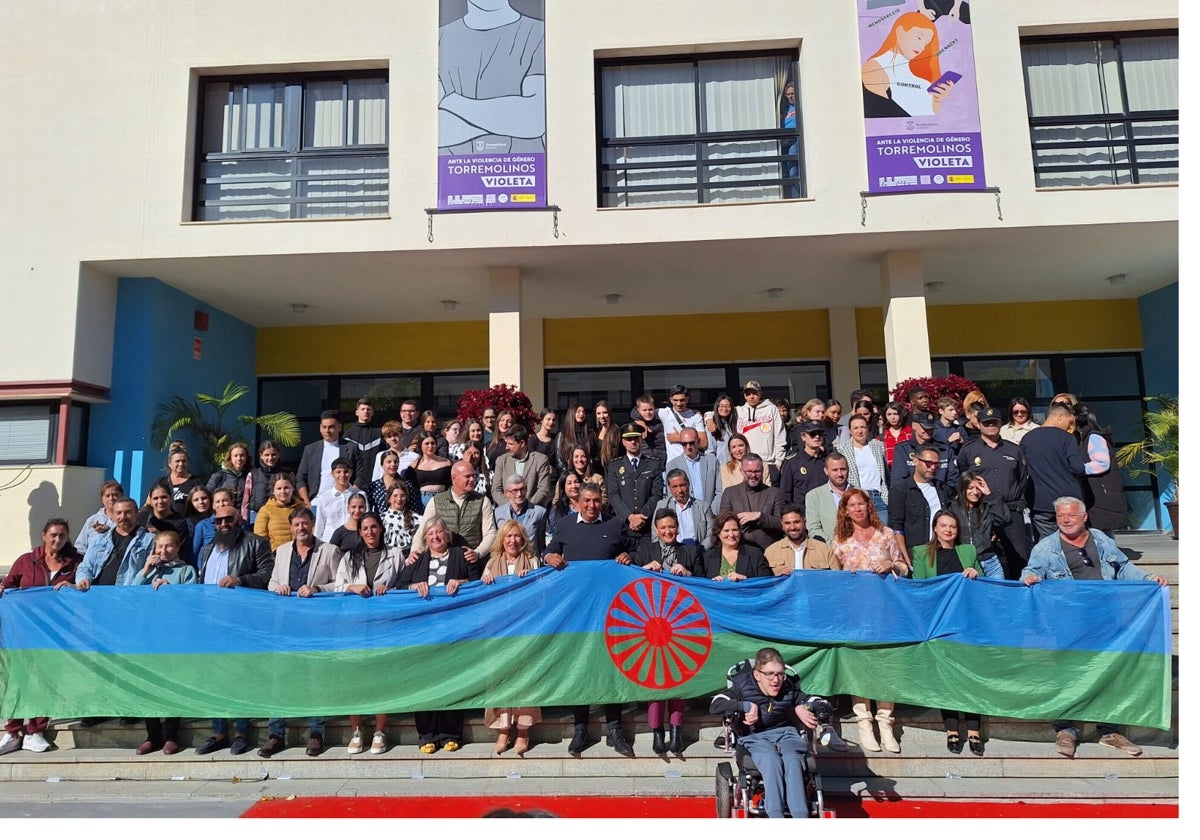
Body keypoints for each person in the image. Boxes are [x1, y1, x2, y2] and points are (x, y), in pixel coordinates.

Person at [1021, 496, 1169, 759]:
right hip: (1067, 624)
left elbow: (1122, 567)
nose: (1065, 520)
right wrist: (1029, 578)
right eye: (1060, 516)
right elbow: (1030, 571)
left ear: (1084, 516)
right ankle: (1066, 729)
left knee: (1109, 672)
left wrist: (1148, 579)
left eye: (1071, 515)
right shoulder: (1045, 548)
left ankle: (1110, 731)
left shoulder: (1100, 538)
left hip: (1105, 619)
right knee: (1067, 674)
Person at [542, 481, 635, 757]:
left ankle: (614, 728)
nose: (592, 506)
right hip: (577, 613)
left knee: (611, 667)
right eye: (587, 501)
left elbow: (637, 552)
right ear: (578, 502)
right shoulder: (566, 525)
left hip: (611, 612)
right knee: (579, 668)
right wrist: (549, 557)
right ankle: (580, 727)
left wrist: (628, 555)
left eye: (596, 501)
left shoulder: (616, 525)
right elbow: (547, 551)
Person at [195, 501, 274, 755]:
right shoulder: (207, 550)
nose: (224, 524)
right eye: (219, 521)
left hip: (243, 622)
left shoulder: (255, 543)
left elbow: (267, 575)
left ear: (239, 521)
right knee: (216, 678)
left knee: (240, 677)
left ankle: (241, 732)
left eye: (229, 519)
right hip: (212, 623)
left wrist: (240, 580)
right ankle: (218, 732)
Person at [831, 488, 907, 753]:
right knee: (860, 666)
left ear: (869, 506)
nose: (858, 509)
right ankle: (865, 721)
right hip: (855, 612)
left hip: (885, 611)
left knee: (886, 665)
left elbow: (905, 568)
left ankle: (886, 723)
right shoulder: (840, 540)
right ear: (845, 510)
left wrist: (891, 564)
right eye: (852, 505)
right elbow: (834, 578)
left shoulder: (885, 534)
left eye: (861, 504)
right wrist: (844, 575)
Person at [0, 518, 82, 756]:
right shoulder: (26, 561)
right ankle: (13, 731)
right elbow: (9, 585)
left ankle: (35, 731)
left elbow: (86, 587)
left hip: (55, 633)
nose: (57, 540)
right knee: (17, 680)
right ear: (44, 535)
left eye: (62, 536)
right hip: (22, 632)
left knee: (46, 679)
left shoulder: (75, 562)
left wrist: (73, 587)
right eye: (53, 535)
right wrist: (4, 588)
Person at [709, 647, 821, 819]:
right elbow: (715, 705)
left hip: (786, 734)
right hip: (754, 736)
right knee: (771, 759)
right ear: (757, 675)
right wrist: (744, 705)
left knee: (792, 759)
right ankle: (775, 815)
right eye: (770, 674)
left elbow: (814, 701)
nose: (776, 680)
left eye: (780, 674)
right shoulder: (742, 686)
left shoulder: (788, 686)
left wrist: (805, 707)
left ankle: (800, 816)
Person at [909, 511, 986, 756]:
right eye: (943, 525)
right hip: (939, 625)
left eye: (952, 526)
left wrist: (975, 575)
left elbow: (984, 587)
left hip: (966, 624)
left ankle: (974, 730)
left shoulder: (968, 552)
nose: (948, 530)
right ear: (935, 528)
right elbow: (920, 587)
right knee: (947, 679)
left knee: (970, 677)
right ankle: (952, 729)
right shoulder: (921, 552)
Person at [397, 517, 472, 754]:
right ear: (425, 538)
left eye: (439, 532)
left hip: (454, 630)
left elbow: (480, 581)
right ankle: (427, 735)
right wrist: (413, 587)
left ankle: (451, 734)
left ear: (447, 535)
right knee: (425, 681)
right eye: (430, 534)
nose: (436, 537)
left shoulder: (461, 554)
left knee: (451, 680)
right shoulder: (417, 559)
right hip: (424, 632)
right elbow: (400, 586)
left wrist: (462, 582)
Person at [437, 0, 546, 157]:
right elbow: (430, 127)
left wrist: (450, 101)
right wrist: (507, 122)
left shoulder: (538, 33)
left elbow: (534, 119)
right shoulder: (439, 39)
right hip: (454, 169)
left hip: (523, 170)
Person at [332, 512, 401, 755]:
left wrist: (389, 589)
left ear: (381, 529)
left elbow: (403, 585)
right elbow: (337, 586)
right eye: (365, 528)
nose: (370, 532)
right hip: (355, 626)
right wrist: (352, 587)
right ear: (359, 532)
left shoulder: (394, 554)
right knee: (355, 679)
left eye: (374, 527)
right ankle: (357, 730)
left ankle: (380, 731)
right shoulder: (350, 557)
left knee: (380, 678)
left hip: (383, 626)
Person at [131, 529, 197, 755]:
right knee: (148, 686)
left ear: (177, 547)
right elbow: (129, 594)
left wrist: (172, 592)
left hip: (173, 638)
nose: (163, 551)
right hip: (148, 637)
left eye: (169, 546)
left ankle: (171, 735)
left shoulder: (186, 570)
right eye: (159, 547)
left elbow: (191, 600)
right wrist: (146, 569)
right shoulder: (149, 571)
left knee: (170, 685)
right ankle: (152, 735)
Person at [481, 519, 542, 757]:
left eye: (517, 536)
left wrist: (530, 581)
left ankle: (524, 730)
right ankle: (503, 729)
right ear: (502, 540)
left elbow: (541, 597)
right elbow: (484, 602)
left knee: (524, 680)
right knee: (500, 679)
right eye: (508, 537)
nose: (513, 541)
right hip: (498, 633)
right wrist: (486, 585)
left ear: (523, 539)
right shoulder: (491, 564)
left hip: (524, 630)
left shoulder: (533, 562)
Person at [956, 406, 1030, 577]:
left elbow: (1022, 479)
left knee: (1019, 556)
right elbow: (962, 479)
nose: (991, 425)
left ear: (1000, 423)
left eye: (994, 422)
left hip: (1011, 511)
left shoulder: (1014, 450)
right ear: (979, 425)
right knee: (984, 557)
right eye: (986, 423)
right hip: (981, 511)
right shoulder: (968, 451)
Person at [409, 460, 497, 581]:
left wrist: (477, 553)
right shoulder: (436, 501)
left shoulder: (482, 501)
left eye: (474, 476)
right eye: (467, 476)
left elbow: (490, 533)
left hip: (473, 565)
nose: (472, 479)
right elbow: (423, 530)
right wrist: (415, 551)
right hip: (446, 564)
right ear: (454, 478)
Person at [862, 11, 956, 118]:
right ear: (900, 31)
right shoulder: (875, 67)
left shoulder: (921, 78)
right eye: (919, 38)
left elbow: (930, 115)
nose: (922, 47)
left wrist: (937, 100)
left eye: (926, 43)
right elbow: (880, 114)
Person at [1020, 404, 1086, 540]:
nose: (1070, 427)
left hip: (1040, 501)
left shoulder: (1027, 438)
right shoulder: (1067, 438)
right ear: (1060, 416)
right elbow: (1078, 468)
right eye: (1069, 422)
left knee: (1047, 544)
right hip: (1068, 500)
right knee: (1072, 540)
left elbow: (1022, 468)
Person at [888, 444, 953, 564]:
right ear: (916, 461)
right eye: (928, 463)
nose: (933, 467)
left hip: (941, 553)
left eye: (936, 464)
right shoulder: (900, 491)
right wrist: (906, 559)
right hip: (916, 555)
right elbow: (896, 528)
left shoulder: (943, 489)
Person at [606, 422, 664, 553]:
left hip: (647, 527)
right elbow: (613, 495)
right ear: (623, 442)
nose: (633, 442)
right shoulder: (615, 466)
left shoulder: (653, 464)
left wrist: (642, 516)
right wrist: (630, 517)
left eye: (635, 438)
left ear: (641, 440)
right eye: (629, 439)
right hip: (624, 527)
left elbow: (657, 494)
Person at [75, 497, 155, 589]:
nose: (123, 517)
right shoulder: (99, 540)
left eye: (128, 512)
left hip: (128, 597)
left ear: (137, 514)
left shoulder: (150, 540)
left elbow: (150, 572)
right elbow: (85, 567)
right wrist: (84, 579)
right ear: (113, 515)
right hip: (97, 595)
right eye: (119, 513)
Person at [1073, 403, 1129, 536]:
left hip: (1102, 493)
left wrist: (1078, 468)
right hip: (1097, 492)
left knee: (1102, 532)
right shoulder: (1083, 437)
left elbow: (1102, 463)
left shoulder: (1094, 437)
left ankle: (1111, 557)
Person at [718, 454, 784, 552]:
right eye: (749, 471)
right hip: (739, 550)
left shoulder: (775, 493)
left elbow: (782, 523)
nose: (753, 475)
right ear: (741, 471)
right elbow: (722, 523)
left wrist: (760, 516)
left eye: (757, 471)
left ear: (763, 470)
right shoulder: (730, 493)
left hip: (767, 550)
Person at [948, 472, 1008, 579]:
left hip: (990, 562)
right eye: (970, 488)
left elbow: (1004, 519)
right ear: (963, 489)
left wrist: (989, 494)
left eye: (978, 488)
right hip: (965, 563)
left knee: (997, 594)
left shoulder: (986, 507)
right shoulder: (953, 508)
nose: (975, 492)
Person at [296, 410, 360, 506]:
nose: (327, 431)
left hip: (344, 501)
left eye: (331, 427)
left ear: (339, 427)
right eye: (324, 427)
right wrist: (306, 503)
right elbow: (300, 478)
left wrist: (352, 494)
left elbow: (361, 475)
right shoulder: (310, 450)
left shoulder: (351, 448)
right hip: (317, 502)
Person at [837, 414, 890, 521]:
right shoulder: (842, 449)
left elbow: (885, 473)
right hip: (858, 498)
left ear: (867, 428)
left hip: (879, 498)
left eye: (862, 427)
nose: (859, 431)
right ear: (850, 431)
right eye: (856, 428)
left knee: (882, 534)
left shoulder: (878, 446)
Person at [490, 424, 554, 509]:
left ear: (522, 443)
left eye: (510, 444)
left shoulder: (540, 460)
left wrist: (526, 507)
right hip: (507, 513)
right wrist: (511, 507)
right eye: (506, 443)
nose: (506, 447)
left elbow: (543, 489)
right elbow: (496, 490)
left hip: (532, 512)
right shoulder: (501, 461)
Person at [765, 503, 839, 573]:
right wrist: (779, 578)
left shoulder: (825, 550)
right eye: (787, 523)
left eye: (796, 522)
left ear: (805, 522)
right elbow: (766, 583)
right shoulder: (771, 552)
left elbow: (837, 579)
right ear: (782, 525)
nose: (792, 527)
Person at [891, 411, 958, 488]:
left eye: (931, 428)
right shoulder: (903, 449)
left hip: (941, 495)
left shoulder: (945, 449)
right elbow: (899, 480)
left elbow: (953, 479)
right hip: (913, 496)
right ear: (914, 426)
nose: (928, 431)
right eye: (924, 428)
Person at [736, 380, 786, 482]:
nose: (752, 396)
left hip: (768, 464)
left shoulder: (771, 409)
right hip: (746, 465)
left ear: (760, 393)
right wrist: (708, 417)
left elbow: (779, 436)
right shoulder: (738, 411)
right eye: (748, 394)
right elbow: (717, 412)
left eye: (755, 393)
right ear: (744, 396)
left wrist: (778, 462)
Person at [700, 511, 772, 581]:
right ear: (718, 533)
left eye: (735, 530)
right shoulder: (707, 557)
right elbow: (700, 585)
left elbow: (767, 582)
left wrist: (745, 579)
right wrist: (711, 583)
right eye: (726, 530)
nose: (731, 535)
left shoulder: (755, 554)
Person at [654, 469, 714, 550]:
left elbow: (712, 534)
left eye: (682, 485)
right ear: (669, 488)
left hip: (699, 552)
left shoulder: (704, 507)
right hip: (670, 554)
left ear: (688, 484)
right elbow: (655, 534)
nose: (680, 490)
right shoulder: (662, 505)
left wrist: (698, 550)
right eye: (675, 487)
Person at [665, 426, 720, 512]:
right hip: (686, 513)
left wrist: (711, 512)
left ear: (698, 442)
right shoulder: (672, 465)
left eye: (691, 443)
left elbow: (719, 491)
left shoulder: (712, 461)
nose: (688, 447)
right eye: (684, 444)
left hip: (710, 512)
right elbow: (671, 495)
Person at [637, 508, 701, 577]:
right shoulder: (644, 551)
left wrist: (687, 573)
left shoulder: (692, 552)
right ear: (656, 531)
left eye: (671, 527)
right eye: (663, 528)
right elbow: (632, 576)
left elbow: (703, 582)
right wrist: (644, 569)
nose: (668, 532)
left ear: (677, 529)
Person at [494, 474, 548, 556]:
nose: (519, 494)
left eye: (522, 489)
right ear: (507, 493)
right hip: (506, 561)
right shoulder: (497, 513)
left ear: (526, 490)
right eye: (515, 491)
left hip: (530, 560)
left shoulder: (540, 513)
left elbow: (541, 543)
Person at [254, 473, 307, 552]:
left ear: (292, 488)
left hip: (300, 555)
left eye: (286, 488)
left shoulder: (302, 508)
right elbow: (260, 537)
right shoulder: (265, 510)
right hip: (276, 556)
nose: (283, 491)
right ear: (273, 491)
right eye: (279, 488)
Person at [779, 421, 827, 509]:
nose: (817, 437)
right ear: (803, 437)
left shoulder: (827, 460)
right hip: (803, 511)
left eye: (820, 433)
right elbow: (785, 493)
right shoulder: (792, 462)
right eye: (812, 434)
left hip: (825, 508)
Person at [804, 452, 850, 543]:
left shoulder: (861, 493)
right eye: (835, 470)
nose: (840, 474)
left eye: (843, 469)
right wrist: (833, 545)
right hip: (829, 550)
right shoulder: (814, 496)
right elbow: (814, 529)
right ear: (826, 471)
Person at [310, 457, 359, 542]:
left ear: (351, 473)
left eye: (346, 472)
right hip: (329, 541)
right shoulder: (324, 498)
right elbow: (319, 525)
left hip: (353, 540)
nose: (342, 475)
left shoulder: (360, 495)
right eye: (338, 472)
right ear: (332, 474)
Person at [659, 384, 708, 463]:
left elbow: (703, 443)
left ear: (687, 399)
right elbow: (641, 411)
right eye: (675, 400)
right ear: (670, 399)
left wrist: (679, 438)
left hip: (693, 462)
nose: (679, 403)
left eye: (682, 400)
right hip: (673, 463)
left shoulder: (695, 416)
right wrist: (640, 422)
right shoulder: (665, 413)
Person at [74, 479, 124, 554]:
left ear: (122, 497)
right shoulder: (93, 520)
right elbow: (80, 547)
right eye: (107, 496)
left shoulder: (127, 519)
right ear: (102, 499)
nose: (111, 498)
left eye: (115, 495)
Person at [244, 440, 287, 523]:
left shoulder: (286, 474)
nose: (270, 458)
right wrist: (245, 520)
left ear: (278, 455)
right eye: (267, 455)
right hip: (256, 515)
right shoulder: (253, 474)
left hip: (279, 515)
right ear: (261, 455)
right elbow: (245, 501)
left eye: (273, 455)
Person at [411, 431, 455, 507]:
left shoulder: (446, 462)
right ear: (420, 445)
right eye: (427, 443)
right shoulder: (414, 465)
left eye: (433, 443)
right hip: (422, 501)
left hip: (442, 499)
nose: (430, 446)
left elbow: (451, 483)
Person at [206, 441, 252, 513]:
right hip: (222, 516)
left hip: (242, 518)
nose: (239, 458)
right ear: (230, 458)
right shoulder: (218, 476)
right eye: (235, 455)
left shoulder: (250, 476)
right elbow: (208, 496)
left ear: (247, 458)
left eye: (242, 455)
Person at [380, 483, 420, 556]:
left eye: (402, 496)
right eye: (395, 496)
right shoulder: (381, 519)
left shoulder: (415, 518)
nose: (399, 499)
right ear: (389, 498)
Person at [555, 403, 596, 473]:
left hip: (587, 473)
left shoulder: (590, 433)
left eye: (583, 412)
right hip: (568, 474)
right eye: (578, 411)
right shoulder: (562, 435)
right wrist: (567, 473)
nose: (581, 414)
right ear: (572, 413)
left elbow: (595, 453)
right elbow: (558, 458)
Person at [344, 397, 382, 464]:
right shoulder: (349, 434)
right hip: (354, 473)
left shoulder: (379, 433)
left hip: (375, 473)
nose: (366, 411)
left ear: (372, 412)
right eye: (362, 409)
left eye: (368, 409)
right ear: (357, 412)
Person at [705, 393, 737, 465]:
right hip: (720, 467)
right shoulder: (712, 425)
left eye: (728, 406)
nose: (725, 409)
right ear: (717, 407)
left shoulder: (733, 424)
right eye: (721, 406)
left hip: (734, 466)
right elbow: (710, 451)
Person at [780, 82, 800, 198]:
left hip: (795, 141)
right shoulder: (785, 111)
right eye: (788, 94)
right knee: (784, 171)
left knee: (793, 171)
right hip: (784, 142)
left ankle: (796, 197)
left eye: (793, 93)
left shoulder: (800, 108)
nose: (791, 96)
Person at [880, 402, 913, 468]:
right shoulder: (882, 437)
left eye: (895, 414)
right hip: (890, 473)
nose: (892, 417)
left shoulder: (911, 433)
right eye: (889, 414)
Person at [594, 400, 622, 470]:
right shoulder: (596, 431)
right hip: (598, 470)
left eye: (605, 413)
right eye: (598, 413)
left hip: (612, 469)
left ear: (610, 413)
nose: (602, 416)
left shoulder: (616, 430)